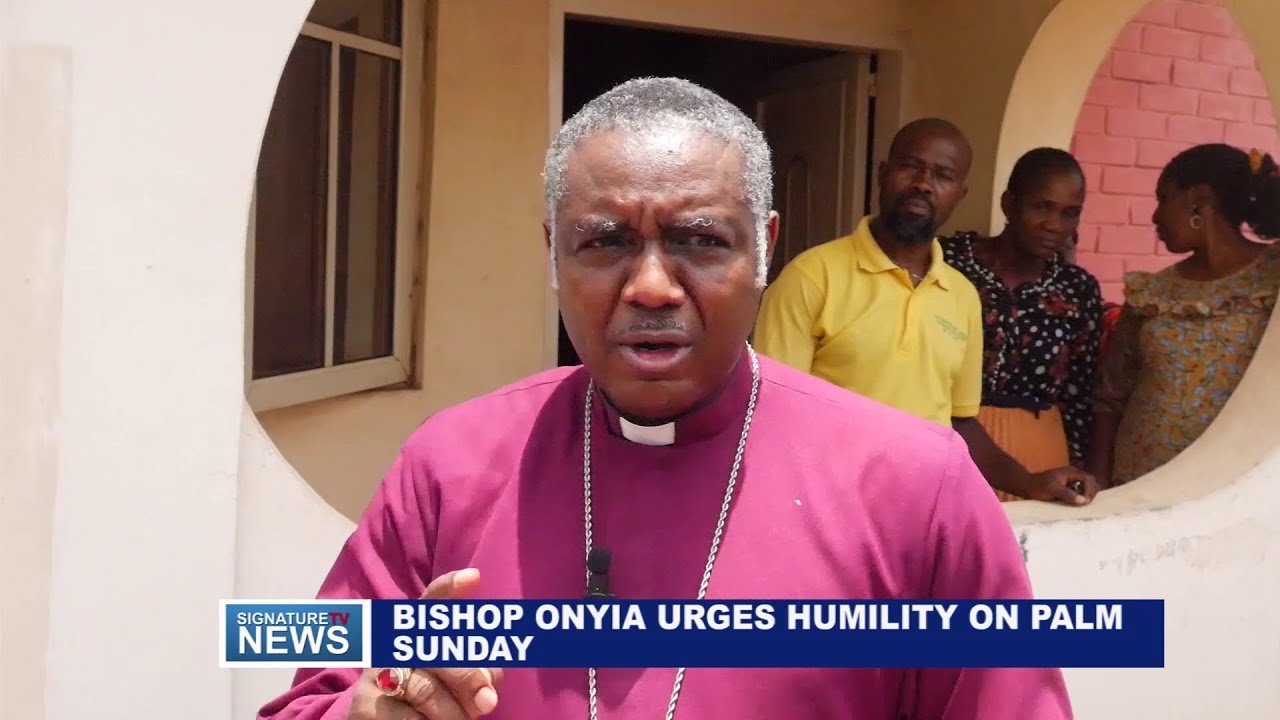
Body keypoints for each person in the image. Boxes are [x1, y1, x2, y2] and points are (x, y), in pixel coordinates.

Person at [257, 78, 1072, 720]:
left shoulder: (920, 490)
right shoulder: (450, 464)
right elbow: (311, 697)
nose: (651, 286)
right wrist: (369, 708)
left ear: (764, 249)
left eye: (701, 240)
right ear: (553, 252)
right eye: (604, 241)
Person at [753, 119, 1096, 505]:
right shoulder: (812, 277)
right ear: (883, 175)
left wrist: (1030, 482)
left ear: (959, 194)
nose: (923, 184)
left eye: (943, 175)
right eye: (910, 166)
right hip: (834, 506)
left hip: (923, 509)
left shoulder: (961, 296)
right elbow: (773, 412)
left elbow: (959, 423)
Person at [1088, 144, 1280, 488]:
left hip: (1229, 489)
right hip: (1137, 485)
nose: (1155, 216)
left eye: (1164, 199)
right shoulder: (1151, 293)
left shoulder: (1272, 280)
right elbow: (1110, 396)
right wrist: (1100, 485)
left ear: (1198, 199)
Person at [940, 148, 1104, 502]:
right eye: (1041, 207)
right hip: (949, 439)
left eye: (1070, 213)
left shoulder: (1077, 289)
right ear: (1009, 203)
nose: (1054, 225)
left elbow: (1079, 397)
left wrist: (1083, 475)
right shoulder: (947, 262)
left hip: (1041, 452)